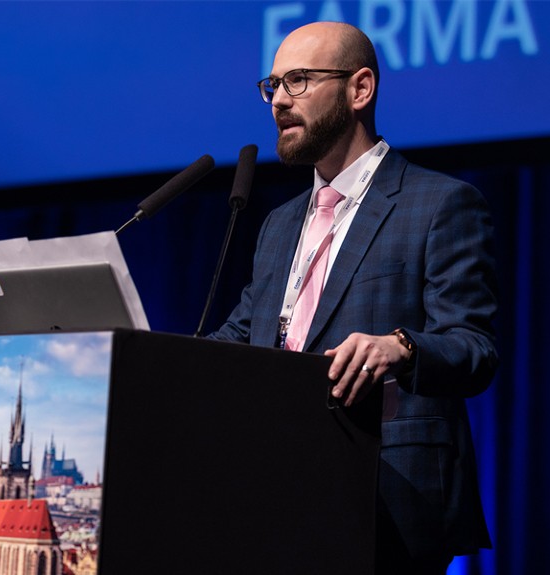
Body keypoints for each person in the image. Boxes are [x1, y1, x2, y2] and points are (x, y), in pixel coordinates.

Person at [209, 21, 498, 574]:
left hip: (387, 498)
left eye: (298, 81)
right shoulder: (278, 223)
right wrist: (143, 351)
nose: (279, 102)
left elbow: (474, 348)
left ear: (359, 89)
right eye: (273, 86)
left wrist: (402, 348)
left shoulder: (440, 203)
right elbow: (244, 337)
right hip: (278, 490)